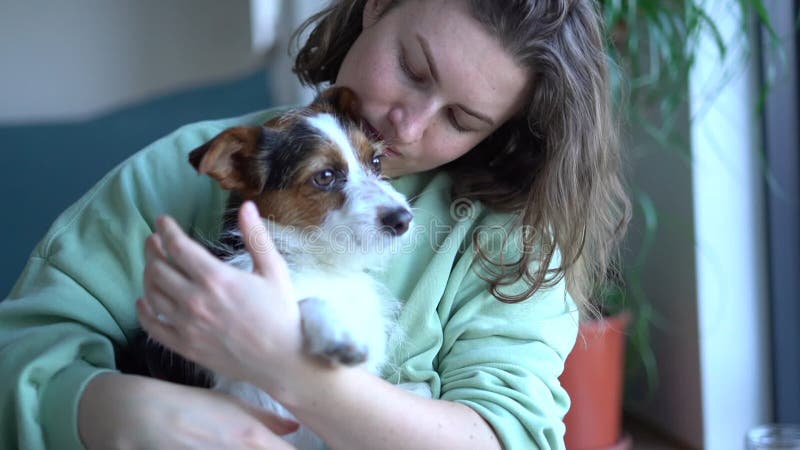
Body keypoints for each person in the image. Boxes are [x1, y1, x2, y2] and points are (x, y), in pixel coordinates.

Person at [0, 0, 630, 448]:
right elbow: (25, 347)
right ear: (376, 5)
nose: (406, 126)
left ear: (500, 132)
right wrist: (113, 408)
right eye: (412, 68)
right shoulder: (174, 170)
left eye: (461, 120)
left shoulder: (512, 245)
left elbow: (509, 437)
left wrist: (294, 372)